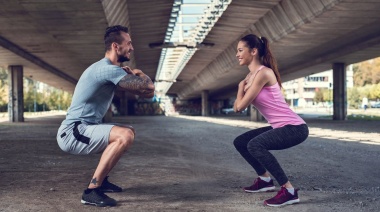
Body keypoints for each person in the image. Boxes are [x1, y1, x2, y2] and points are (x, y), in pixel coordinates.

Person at [56, 25, 155, 207]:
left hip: (85, 128)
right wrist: (141, 75)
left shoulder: (112, 70)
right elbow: (148, 87)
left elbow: (147, 94)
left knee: (128, 131)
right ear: (116, 46)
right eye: (129, 44)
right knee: (124, 136)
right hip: (73, 131)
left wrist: (137, 79)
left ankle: (102, 180)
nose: (132, 48)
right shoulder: (105, 69)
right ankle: (92, 191)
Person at [232, 34, 309, 207]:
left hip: (295, 128)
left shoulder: (263, 73)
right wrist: (241, 87)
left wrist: (239, 88)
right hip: (280, 126)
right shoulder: (250, 77)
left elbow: (239, 106)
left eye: (240, 50)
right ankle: (265, 180)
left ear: (253, 51)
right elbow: (237, 107)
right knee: (241, 142)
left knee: (255, 145)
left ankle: (289, 191)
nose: (237, 54)